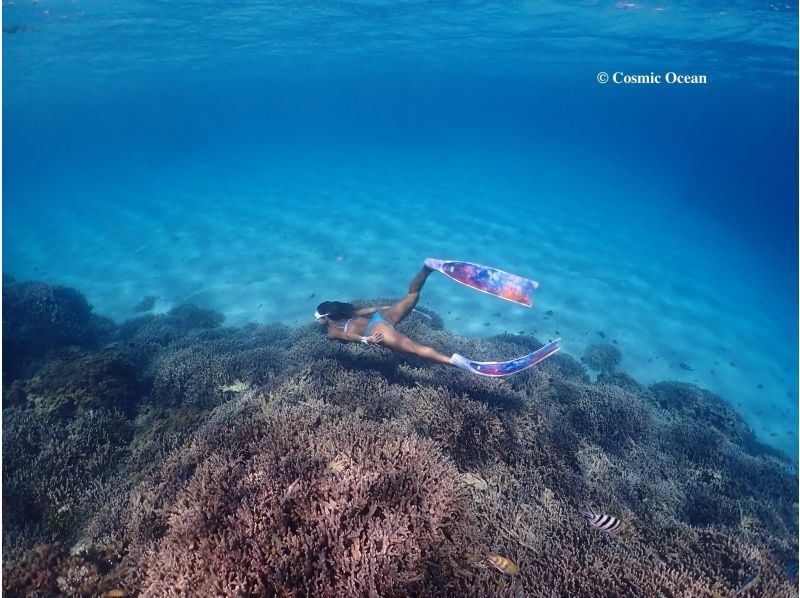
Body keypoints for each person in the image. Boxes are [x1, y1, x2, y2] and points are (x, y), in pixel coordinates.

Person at [315, 264, 454, 366]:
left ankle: (453, 362)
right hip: (381, 317)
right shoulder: (345, 313)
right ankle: (427, 268)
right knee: (412, 295)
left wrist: (365, 339)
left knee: (414, 348)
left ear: (325, 317)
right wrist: (392, 307)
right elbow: (371, 310)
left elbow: (345, 336)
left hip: (376, 331)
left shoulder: (332, 332)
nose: (316, 321)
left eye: (317, 318)